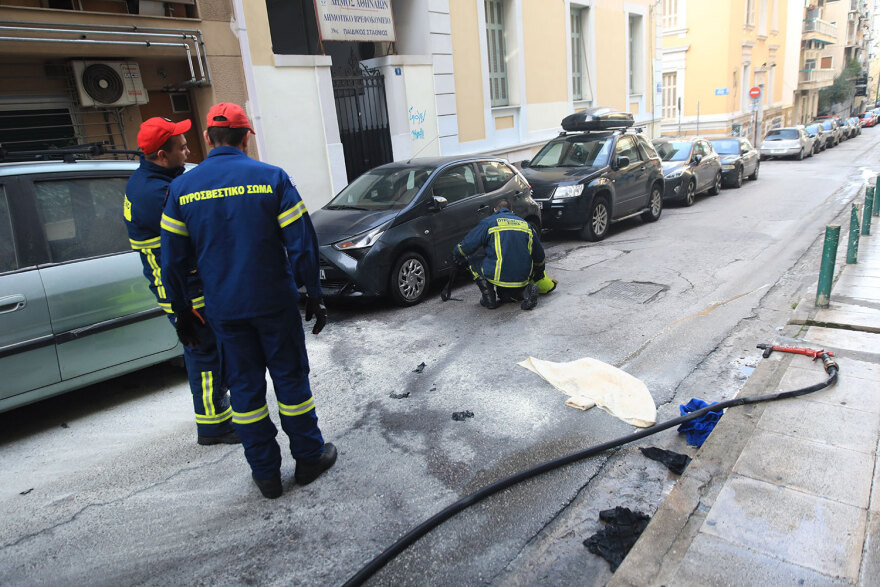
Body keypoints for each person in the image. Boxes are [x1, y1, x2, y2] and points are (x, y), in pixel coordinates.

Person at [160, 103, 336, 499]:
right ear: (246, 139)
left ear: (207, 138)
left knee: (245, 392)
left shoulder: (181, 189)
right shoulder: (271, 178)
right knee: (291, 380)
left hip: (224, 310)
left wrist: (181, 312)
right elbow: (302, 245)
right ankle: (309, 458)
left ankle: (266, 476)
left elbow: (170, 259)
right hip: (274, 303)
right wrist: (314, 293)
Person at [123, 116, 239, 446]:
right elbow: (200, 232)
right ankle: (214, 425)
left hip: (187, 283)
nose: (189, 150)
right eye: (182, 146)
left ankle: (220, 405)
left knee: (214, 347)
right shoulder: (154, 194)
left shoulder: (156, 179)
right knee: (202, 351)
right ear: (162, 154)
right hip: (182, 290)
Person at [453, 198, 549, 310]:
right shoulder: (526, 225)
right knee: (506, 297)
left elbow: (467, 246)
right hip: (523, 276)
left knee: (474, 261)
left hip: (499, 273)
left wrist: (456, 253)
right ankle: (526, 291)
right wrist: (539, 272)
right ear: (512, 211)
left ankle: (489, 299)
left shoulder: (489, 222)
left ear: (495, 210)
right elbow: (539, 255)